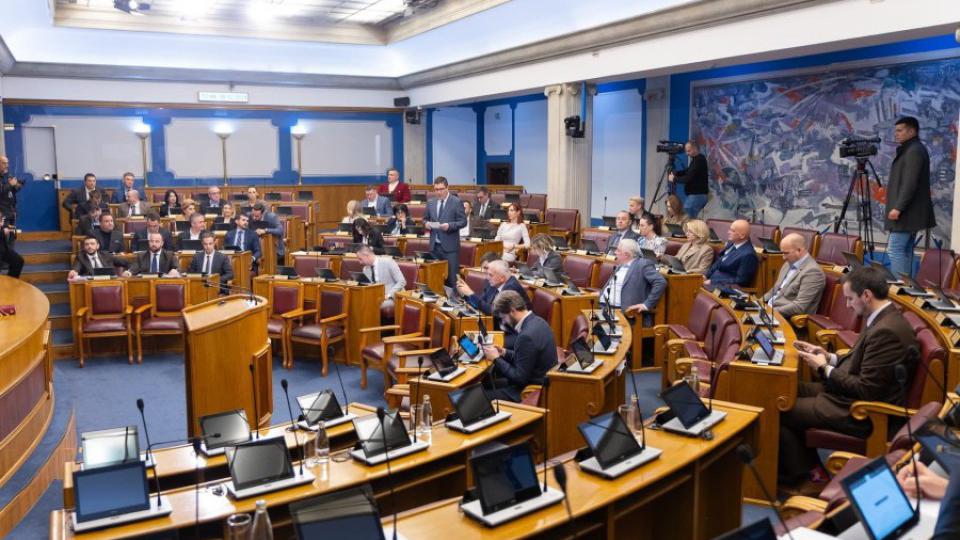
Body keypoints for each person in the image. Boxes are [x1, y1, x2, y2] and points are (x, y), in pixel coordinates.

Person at [779, 266, 917, 486]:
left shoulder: (887, 331)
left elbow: (866, 389)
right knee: (781, 391)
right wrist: (828, 357)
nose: (847, 305)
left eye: (850, 299)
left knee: (781, 407)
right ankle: (808, 467)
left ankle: (807, 476)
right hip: (848, 396)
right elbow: (860, 361)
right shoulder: (882, 317)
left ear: (867, 295)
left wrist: (824, 369)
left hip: (863, 412)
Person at [481, 290, 557, 402]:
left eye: (503, 317)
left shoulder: (526, 336)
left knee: (477, 397)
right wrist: (504, 352)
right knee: (482, 385)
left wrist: (496, 359)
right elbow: (526, 358)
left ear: (512, 311)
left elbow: (519, 378)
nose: (504, 322)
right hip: (532, 378)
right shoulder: (539, 321)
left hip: (528, 390)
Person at [885, 116, 936, 278]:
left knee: (895, 250)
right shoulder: (912, 149)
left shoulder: (914, 150)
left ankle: (900, 293)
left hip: (906, 213)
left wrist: (898, 207)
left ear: (912, 131)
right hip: (909, 213)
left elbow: (910, 183)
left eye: (900, 131)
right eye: (896, 131)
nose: (896, 134)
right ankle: (906, 292)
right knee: (905, 251)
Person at [599, 238, 666, 326]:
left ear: (627, 254)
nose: (615, 252)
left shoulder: (642, 264)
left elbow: (661, 282)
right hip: (604, 308)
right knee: (585, 330)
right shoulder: (620, 265)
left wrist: (646, 305)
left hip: (625, 314)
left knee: (595, 336)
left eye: (618, 250)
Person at [762, 233, 825, 318]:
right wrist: (757, 304)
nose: (783, 258)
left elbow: (799, 307)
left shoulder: (813, 272)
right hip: (769, 310)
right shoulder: (787, 264)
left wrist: (770, 312)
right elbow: (774, 290)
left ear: (799, 250)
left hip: (785, 318)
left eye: (786, 253)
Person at [424, 176, 466, 287]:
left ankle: (454, 302)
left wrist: (450, 226)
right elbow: (425, 219)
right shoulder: (431, 202)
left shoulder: (456, 202)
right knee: (436, 280)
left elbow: (463, 221)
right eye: (436, 189)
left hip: (450, 248)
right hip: (434, 247)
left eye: (441, 189)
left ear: (447, 187)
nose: (438, 192)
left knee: (452, 280)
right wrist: (426, 224)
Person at [457, 259, 529, 315]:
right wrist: (464, 294)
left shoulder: (512, 288)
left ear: (502, 278)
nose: (487, 277)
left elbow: (494, 312)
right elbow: (482, 303)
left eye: (490, 275)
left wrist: (470, 293)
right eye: (487, 274)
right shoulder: (493, 283)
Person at [704, 219, 758, 288]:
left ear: (742, 236)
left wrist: (712, 282)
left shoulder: (748, 255)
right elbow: (719, 262)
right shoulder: (731, 244)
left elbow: (741, 281)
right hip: (710, 282)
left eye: (732, 231)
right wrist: (706, 276)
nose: (728, 232)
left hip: (723, 288)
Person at [668, 140, 709, 218]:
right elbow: (687, 171)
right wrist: (677, 173)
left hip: (697, 196)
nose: (687, 153)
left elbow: (687, 178)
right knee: (689, 220)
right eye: (686, 151)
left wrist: (674, 179)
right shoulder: (696, 160)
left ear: (695, 149)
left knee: (687, 220)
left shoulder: (699, 160)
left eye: (689, 151)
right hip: (695, 196)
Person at [357, 245, 405, 309]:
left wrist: (388, 295)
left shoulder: (388, 262)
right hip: (376, 297)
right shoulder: (365, 269)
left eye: (360, 259)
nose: (359, 262)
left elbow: (402, 282)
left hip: (393, 296)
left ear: (367, 255)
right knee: (358, 302)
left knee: (372, 304)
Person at [0, 207, 23, 278]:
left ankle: (11, 281)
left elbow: (4, 226)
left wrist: (6, 228)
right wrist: (3, 232)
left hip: (3, 249)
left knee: (18, 261)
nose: (2, 219)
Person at [0, 156, 24, 222]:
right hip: (2, 214)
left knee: (12, 231)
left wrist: (17, 186)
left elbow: (10, 190)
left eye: (7, 163)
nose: (7, 165)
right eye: (4, 163)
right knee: (4, 232)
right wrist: (10, 184)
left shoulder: (7, 175)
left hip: (11, 211)